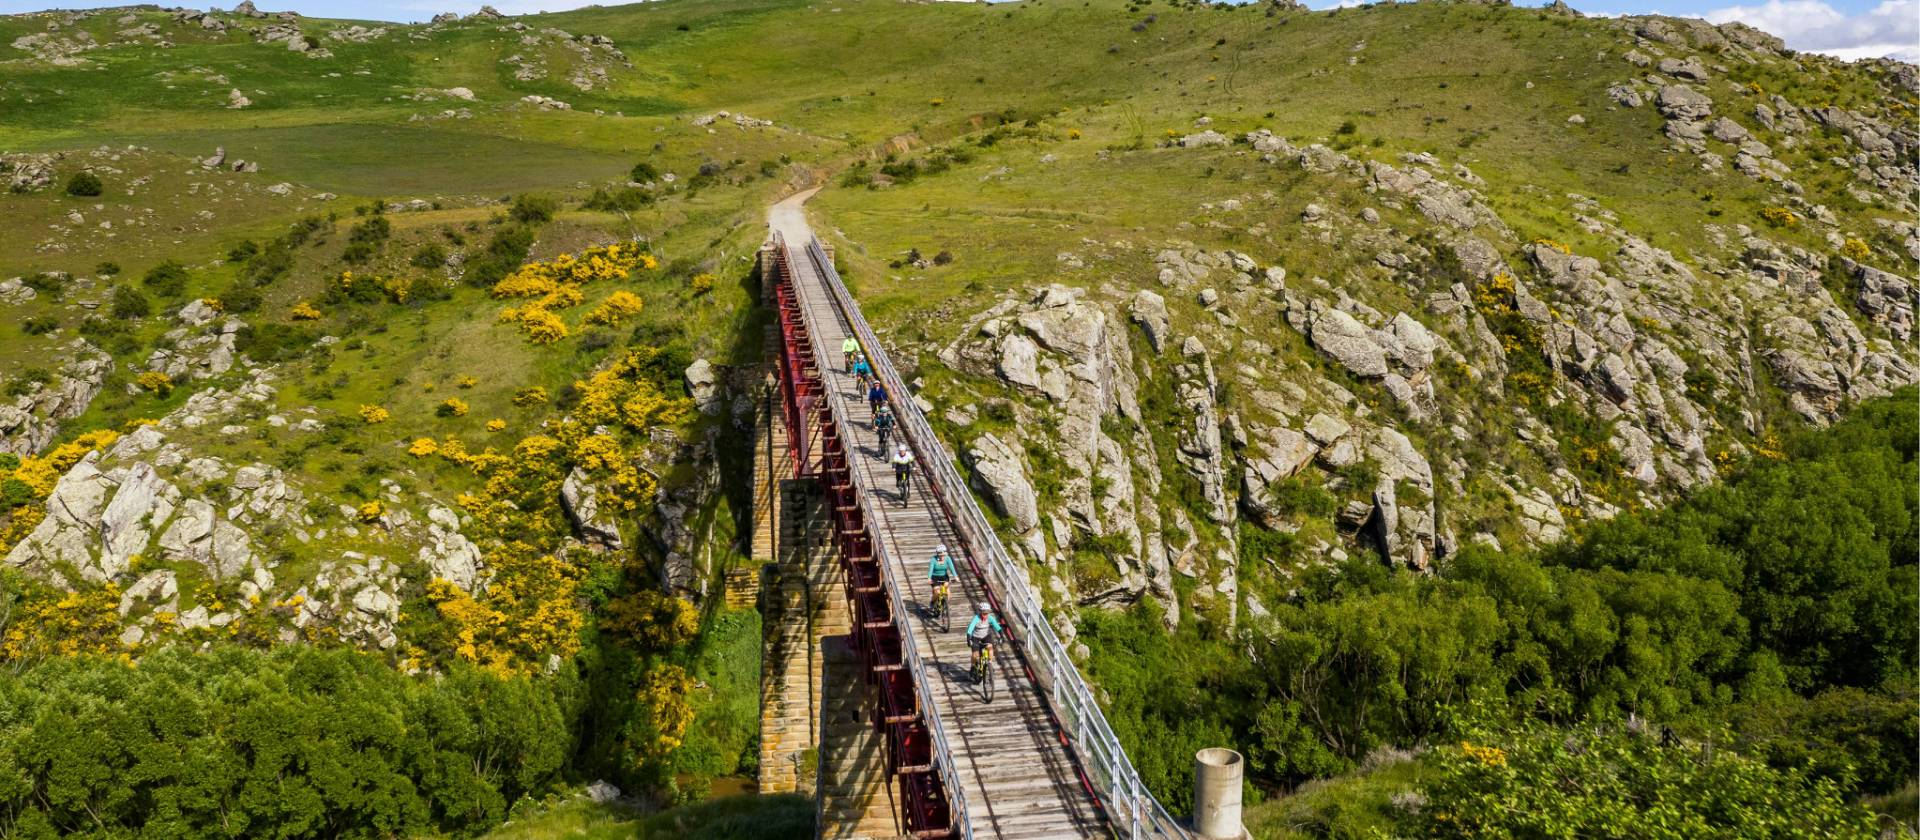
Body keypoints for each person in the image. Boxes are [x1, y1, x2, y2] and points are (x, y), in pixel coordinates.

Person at [966, 603, 1003, 680]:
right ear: (980, 612)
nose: (985, 615)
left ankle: (990, 664)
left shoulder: (990, 618)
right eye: (984, 613)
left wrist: (1001, 636)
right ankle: (973, 666)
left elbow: (997, 626)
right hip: (975, 637)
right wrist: (968, 639)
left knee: (990, 648)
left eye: (987, 613)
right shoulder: (976, 618)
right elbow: (970, 629)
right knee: (975, 655)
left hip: (986, 636)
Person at [928, 544, 954, 615]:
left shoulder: (948, 558)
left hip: (944, 577)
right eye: (940, 555)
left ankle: (945, 605)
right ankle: (932, 603)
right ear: (937, 554)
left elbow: (952, 568)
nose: (942, 556)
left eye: (944, 554)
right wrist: (929, 578)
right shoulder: (933, 559)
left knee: (948, 592)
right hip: (935, 577)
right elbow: (930, 570)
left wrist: (956, 576)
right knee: (937, 592)